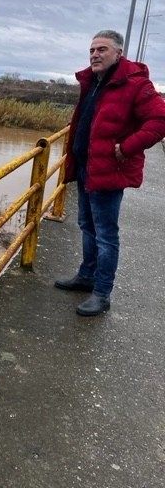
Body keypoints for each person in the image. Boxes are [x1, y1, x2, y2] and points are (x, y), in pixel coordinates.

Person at [55, 29, 165, 316]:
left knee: (105, 234)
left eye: (101, 49)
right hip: (85, 168)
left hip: (107, 171)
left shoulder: (135, 84)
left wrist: (127, 147)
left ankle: (102, 293)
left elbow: (160, 119)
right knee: (86, 226)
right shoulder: (92, 81)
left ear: (118, 53)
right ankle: (86, 276)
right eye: (92, 50)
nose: (94, 55)